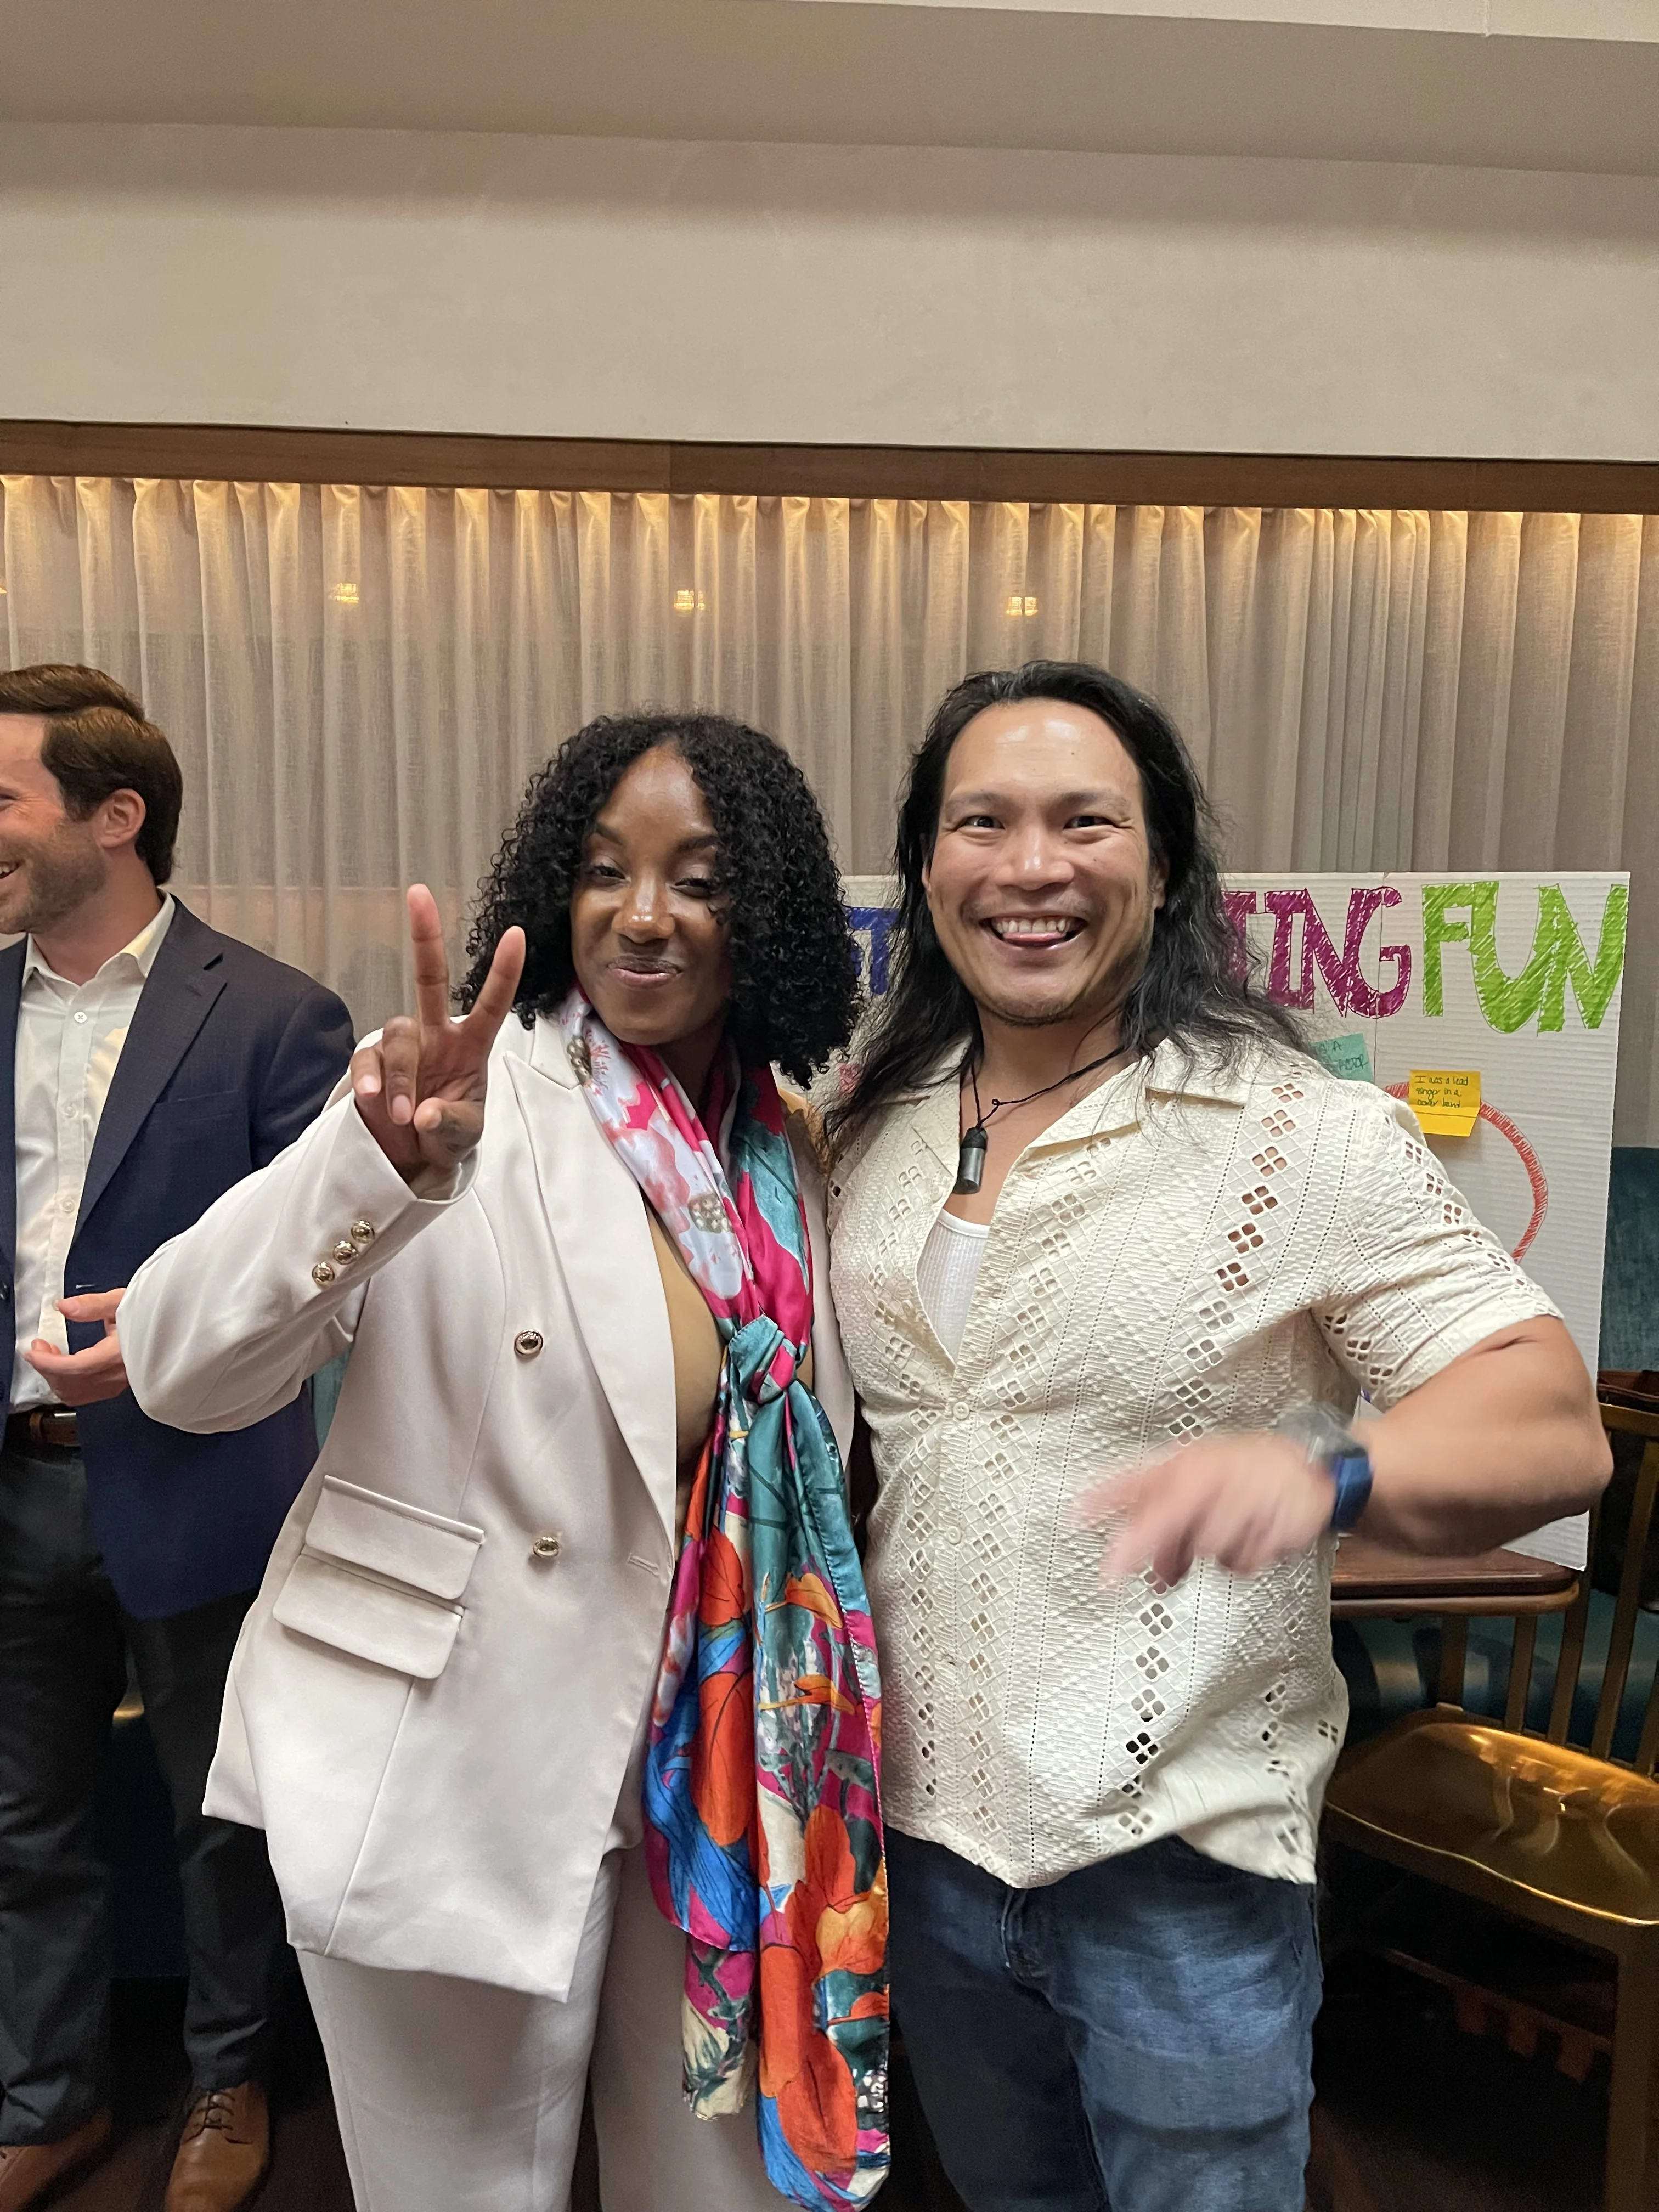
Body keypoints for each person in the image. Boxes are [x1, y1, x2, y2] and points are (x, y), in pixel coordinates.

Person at [822, 659, 1611, 2212]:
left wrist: (1331, 1471)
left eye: (1085, 822)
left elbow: (1548, 1416)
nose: (1032, 866)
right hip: (921, 1844)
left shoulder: (1295, 1132)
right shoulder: (871, 1123)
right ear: (926, 867)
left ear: (1167, 865)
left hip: (1181, 1867)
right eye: (982, 822)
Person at [114, 713, 889, 2212]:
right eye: (602, 871)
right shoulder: (456, 1100)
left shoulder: (787, 1149)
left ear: (770, 916)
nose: (643, 915)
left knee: (717, 2196)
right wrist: (379, 1166)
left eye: (697, 879)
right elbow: (179, 1364)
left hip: (718, 1780)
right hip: (454, 1753)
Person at [0, 664, 353, 2212]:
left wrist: (157, 1347)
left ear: (115, 816)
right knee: (20, 1825)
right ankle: (48, 2101)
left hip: (201, 1481)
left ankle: (228, 2082)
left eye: (2, 798)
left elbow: (316, 1278)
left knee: (223, 1814)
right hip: (12, 1485)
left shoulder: (276, 1015)